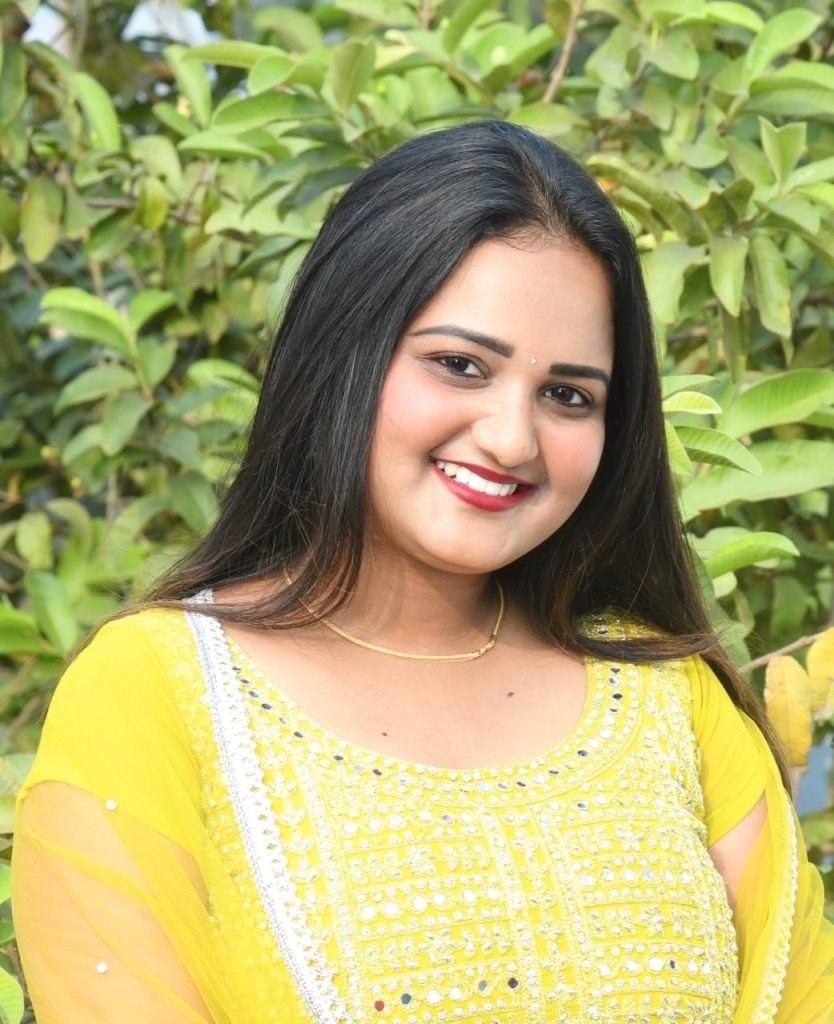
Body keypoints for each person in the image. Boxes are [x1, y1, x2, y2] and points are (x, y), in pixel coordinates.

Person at [12, 121, 834, 1023]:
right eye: (459, 365)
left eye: (568, 395)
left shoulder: (669, 695)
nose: (512, 439)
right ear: (343, 350)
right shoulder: (159, 692)